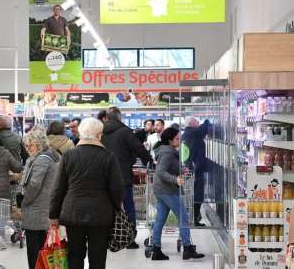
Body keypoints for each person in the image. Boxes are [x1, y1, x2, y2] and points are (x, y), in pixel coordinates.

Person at [49, 118, 124, 269]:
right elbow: (117, 188)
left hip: (73, 213)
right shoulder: (109, 157)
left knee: (75, 256)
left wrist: (53, 215)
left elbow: (58, 188)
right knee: (98, 257)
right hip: (101, 215)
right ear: (99, 135)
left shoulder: (69, 156)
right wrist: (117, 208)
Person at [151, 127, 205, 261]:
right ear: (170, 140)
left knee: (160, 219)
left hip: (161, 190)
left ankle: (156, 249)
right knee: (184, 217)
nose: (179, 140)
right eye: (177, 138)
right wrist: (175, 179)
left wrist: (182, 169)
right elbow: (161, 171)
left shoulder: (168, 151)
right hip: (167, 190)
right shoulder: (168, 153)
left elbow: (170, 167)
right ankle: (187, 248)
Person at [101, 107, 152, 248]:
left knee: (107, 206)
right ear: (119, 117)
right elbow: (139, 148)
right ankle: (129, 239)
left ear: (107, 117)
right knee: (128, 206)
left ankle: (106, 237)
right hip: (123, 176)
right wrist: (150, 162)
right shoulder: (125, 131)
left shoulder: (99, 132)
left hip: (104, 177)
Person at [21, 130, 60, 269]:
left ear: (39, 144)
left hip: (37, 210)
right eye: (26, 145)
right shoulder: (48, 157)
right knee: (42, 251)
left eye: (30, 145)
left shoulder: (42, 159)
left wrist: (24, 202)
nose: (27, 148)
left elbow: (34, 184)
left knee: (35, 252)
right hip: (43, 209)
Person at [182, 116, 211, 227]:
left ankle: (195, 217)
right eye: (196, 121)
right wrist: (208, 120)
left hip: (193, 168)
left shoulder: (190, 133)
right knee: (197, 194)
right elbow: (204, 128)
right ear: (191, 124)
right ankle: (194, 218)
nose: (198, 122)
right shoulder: (191, 132)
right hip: (195, 169)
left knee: (196, 193)